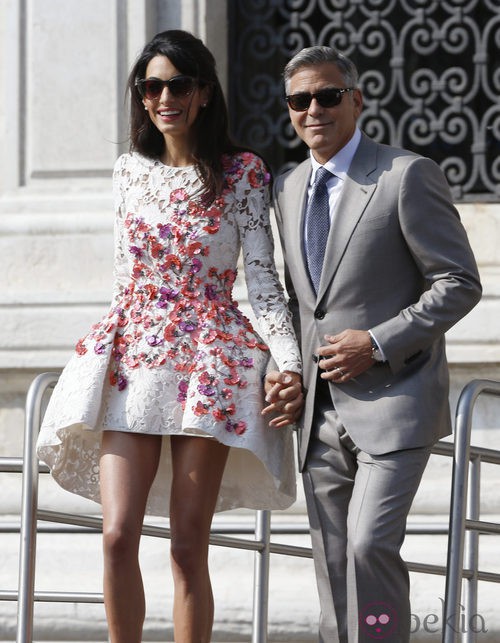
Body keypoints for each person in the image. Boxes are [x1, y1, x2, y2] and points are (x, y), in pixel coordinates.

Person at [37, 29, 302, 643]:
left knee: (187, 546)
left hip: (210, 361)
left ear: (204, 92)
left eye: (178, 84)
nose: (164, 97)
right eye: (151, 86)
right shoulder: (128, 171)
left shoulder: (242, 172)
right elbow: (123, 278)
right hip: (135, 354)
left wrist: (289, 364)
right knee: (115, 533)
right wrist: (99, 357)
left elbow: (263, 283)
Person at [264, 45, 482, 642]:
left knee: (367, 545)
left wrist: (379, 342)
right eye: (300, 100)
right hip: (317, 414)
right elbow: (295, 301)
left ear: (356, 100)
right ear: (289, 111)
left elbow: (459, 283)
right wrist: (280, 371)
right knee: (333, 564)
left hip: (396, 402)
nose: (315, 109)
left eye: (329, 95)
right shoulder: (285, 187)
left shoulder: (406, 175)